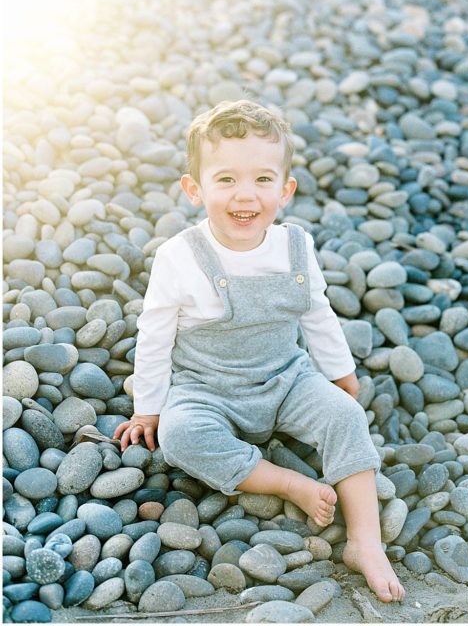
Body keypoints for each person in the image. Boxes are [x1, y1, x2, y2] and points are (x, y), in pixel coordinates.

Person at [112, 100, 405, 603]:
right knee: (180, 436)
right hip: (206, 388)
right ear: (194, 189)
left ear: (285, 190)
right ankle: (284, 482)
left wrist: (340, 375)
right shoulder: (180, 256)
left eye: (262, 180)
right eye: (225, 180)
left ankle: (366, 543)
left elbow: (317, 312)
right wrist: (148, 406)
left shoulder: (294, 246)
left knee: (346, 417)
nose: (245, 195)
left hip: (286, 378)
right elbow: (155, 333)